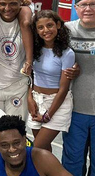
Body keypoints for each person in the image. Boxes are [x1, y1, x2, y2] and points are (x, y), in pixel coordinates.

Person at [28, 10, 75, 151]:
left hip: (57, 103)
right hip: (36, 100)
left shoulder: (67, 53)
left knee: (37, 147)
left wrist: (48, 114)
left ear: (58, 25)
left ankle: (55, 174)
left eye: (50, 25)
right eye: (40, 27)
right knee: (43, 150)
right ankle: (46, 173)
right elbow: (29, 77)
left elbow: (64, 89)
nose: (46, 30)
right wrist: (29, 99)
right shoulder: (34, 49)